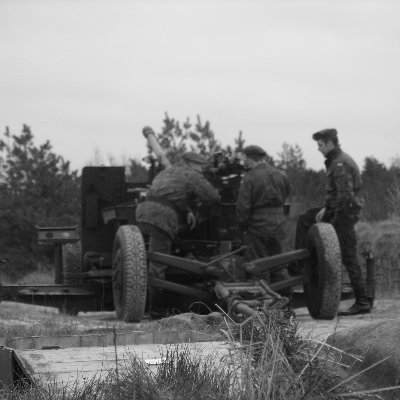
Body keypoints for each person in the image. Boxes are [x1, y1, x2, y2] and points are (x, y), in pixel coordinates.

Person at [136, 149, 220, 298]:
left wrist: (187, 210)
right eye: (199, 166)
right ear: (189, 163)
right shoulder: (192, 175)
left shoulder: (165, 173)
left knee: (157, 251)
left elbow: (170, 194)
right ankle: (156, 306)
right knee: (159, 260)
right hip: (162, 216)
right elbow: (213, 197)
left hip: (144, 211)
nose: (201, 170)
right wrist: (199, 213)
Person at [312, 128, 370, 315]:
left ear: (330, 143)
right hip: (343, 214)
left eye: (320, 145)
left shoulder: (339, 164)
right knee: (346, 256)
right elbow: (336, 194)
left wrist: (334, 222)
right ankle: (362, 300)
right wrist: (326, 209)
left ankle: (362, 301)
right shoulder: (337, 161)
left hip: (345, 216)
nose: (319, 149)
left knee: (348, 257)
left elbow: (344, 198)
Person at [236, 145, 291, 283]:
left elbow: (243, 207)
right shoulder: (281, 174)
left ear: (249, 159)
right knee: (279, 262)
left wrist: (242, 227)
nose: (244, 163)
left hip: (258, 226)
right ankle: (285, 295)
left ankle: (263, 298)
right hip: (279, 223)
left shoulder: (249, 178)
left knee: (258, 263)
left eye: (245, 159)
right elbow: (286, 194)